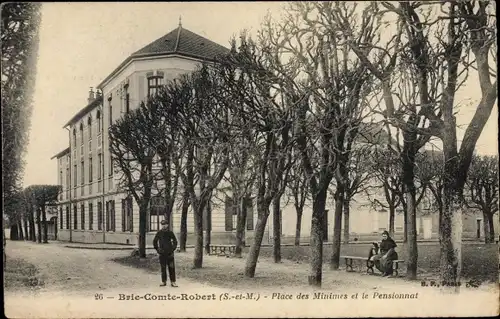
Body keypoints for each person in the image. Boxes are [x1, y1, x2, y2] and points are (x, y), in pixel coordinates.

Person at [153, 219, 178, 287]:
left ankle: (173, 282)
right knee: (163, 268)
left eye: (165, 224)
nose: (164, 226)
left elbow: (175, 241)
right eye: (162, 224)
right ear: (161, 225)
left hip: (170, 253)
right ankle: (164, 281)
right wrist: (158, 249)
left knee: (172, 268)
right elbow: (155, 241)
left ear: (167, 225)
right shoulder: (159, 233)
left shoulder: (170, 232)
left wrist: (172, 249)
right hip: (162, 253)